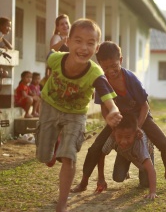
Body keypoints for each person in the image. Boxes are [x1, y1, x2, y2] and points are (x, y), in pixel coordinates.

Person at [35, 18, 122, 212]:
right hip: (50, 105)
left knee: (69, 156)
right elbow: (49, 54)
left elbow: (107, 95)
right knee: (42, 156)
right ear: (69, 42)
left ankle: (62, 202)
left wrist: (113, 110)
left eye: (90, 43)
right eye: (78, 41)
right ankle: (53, 146)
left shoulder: (95, 72)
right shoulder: (57, 59)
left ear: (96, 47)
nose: (84, 47)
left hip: (75, 114)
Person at [71, 41, 166, 193]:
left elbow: (145, 106)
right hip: (118, 119)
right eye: (105, 67)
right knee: (95, 148)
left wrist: (137, 128)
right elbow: (104, 108)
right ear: (99, 64)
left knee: (164, 143)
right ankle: (83, 182)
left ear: (120, 60)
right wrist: (113, 127)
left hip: (140, 117)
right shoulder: (101, 81)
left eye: (114, 66)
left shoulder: (130, 79)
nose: (110, 70)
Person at [96, 113, 157, 199]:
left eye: (128, 137)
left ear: (136, 134)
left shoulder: (140, 142)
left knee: (145, 184)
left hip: (142, 154)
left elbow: (151, 169)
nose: (123, 141)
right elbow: (101, 155)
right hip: (124, 153)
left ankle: (140, 171)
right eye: (119, 136)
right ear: (114, 133)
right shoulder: (112, 138)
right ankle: (126, 166)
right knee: (118, 177)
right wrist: (101, 178)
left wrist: (152, 192)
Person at [41, 14, 71, 88]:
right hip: (58, 70)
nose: (65, 25)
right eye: (62, 24)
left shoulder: (73, 38)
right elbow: (52, 50)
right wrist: (63, 41)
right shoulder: (57, 37)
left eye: (66, 23)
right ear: (57, 27)